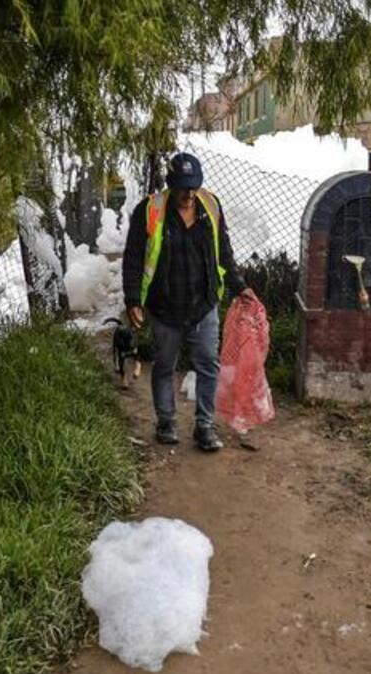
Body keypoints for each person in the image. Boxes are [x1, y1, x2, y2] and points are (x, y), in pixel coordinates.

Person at [122, 152, 257, 451]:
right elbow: (133, 258)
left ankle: (204, 427)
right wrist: (133, 299)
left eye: (193, 186)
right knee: (164, 366)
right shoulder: (150, 210)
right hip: (164, 307)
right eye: (183, 187)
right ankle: (166, 422)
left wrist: (239, 286)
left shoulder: (210, 205)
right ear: (171, 184)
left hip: (203, 305)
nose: (189, 194)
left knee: (208, 365)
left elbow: (224, 250)